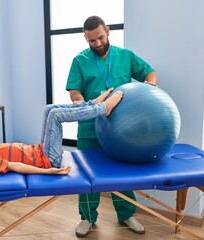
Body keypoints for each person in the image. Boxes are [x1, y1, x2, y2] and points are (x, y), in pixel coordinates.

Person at [66, 16, 158, 237]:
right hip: (90, 126)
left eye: (100, 38)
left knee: (121, 173)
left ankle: (126, 214)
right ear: (85, 38)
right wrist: (78, 99)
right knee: (88, 175)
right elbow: (74, 91)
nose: (96, 44)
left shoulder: (124, 56)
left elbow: (149, 72)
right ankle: (87, 217)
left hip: (121, 128)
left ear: (107, 31)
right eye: (91, 41)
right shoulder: (79, 60)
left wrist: (150, 84)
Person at [0, 89, 123, 174]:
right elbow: (15, 166)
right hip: (47, 159)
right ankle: (101, 108)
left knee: (48, 109)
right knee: (55, 115)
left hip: (40, 149)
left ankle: (91, 104)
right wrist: (48, 171)